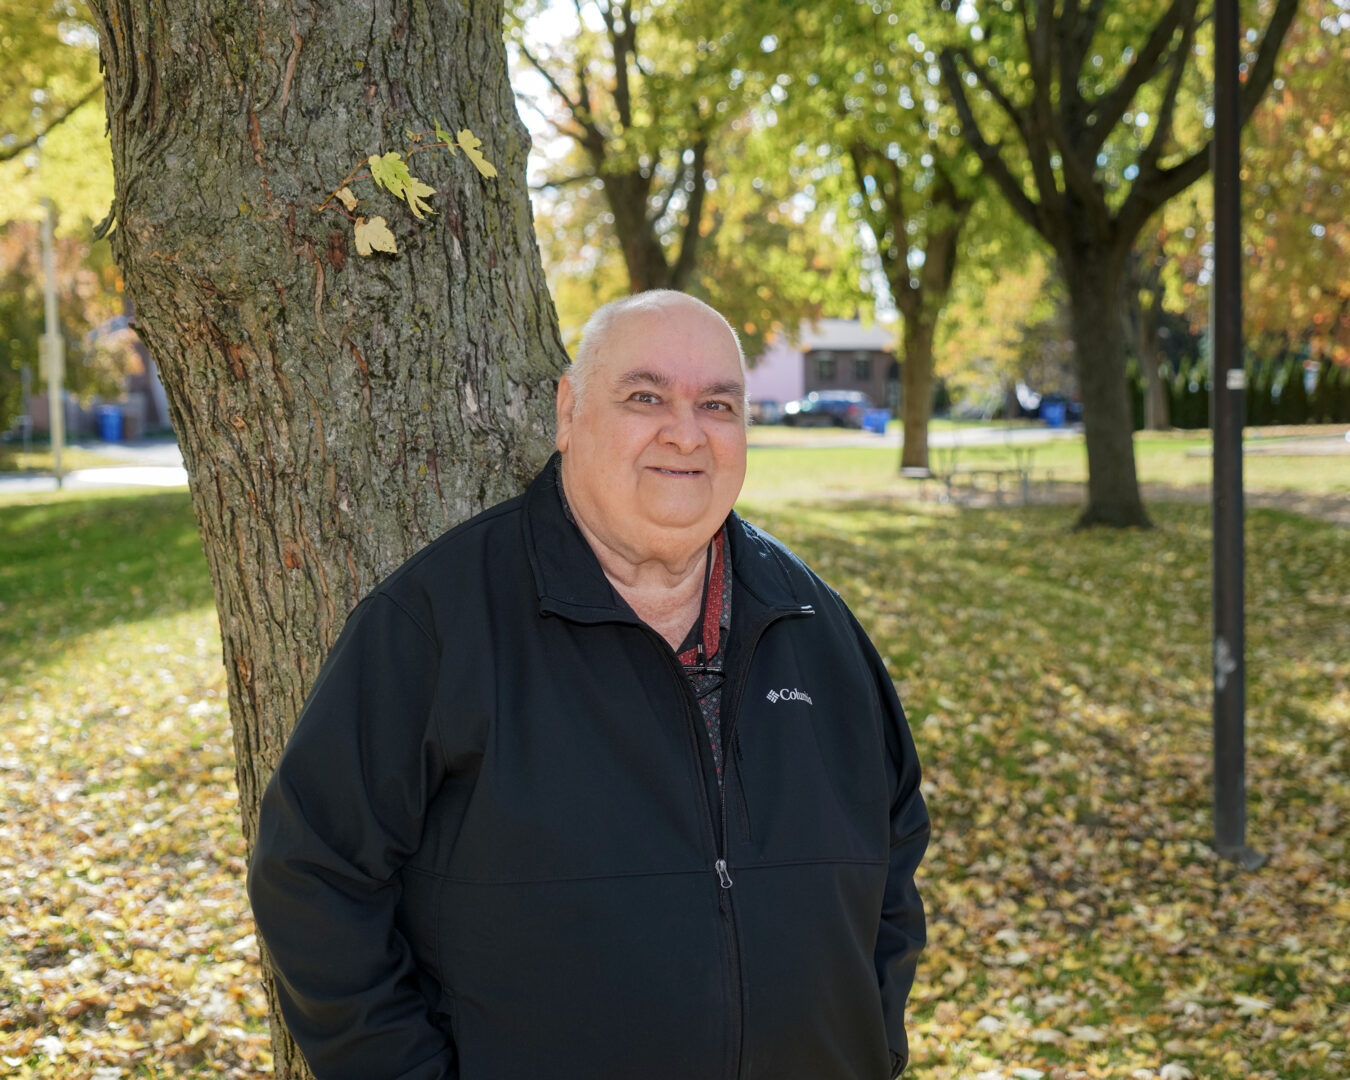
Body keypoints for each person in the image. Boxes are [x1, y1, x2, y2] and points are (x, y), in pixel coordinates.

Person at [247, 291, 930, 1080]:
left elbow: (895, 849)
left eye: (718, 403)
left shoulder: (814, 622)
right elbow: (313, 872)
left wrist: (872, 1047)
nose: (686, 431)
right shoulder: (440, 622)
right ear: (568, 413)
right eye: (645, 397)